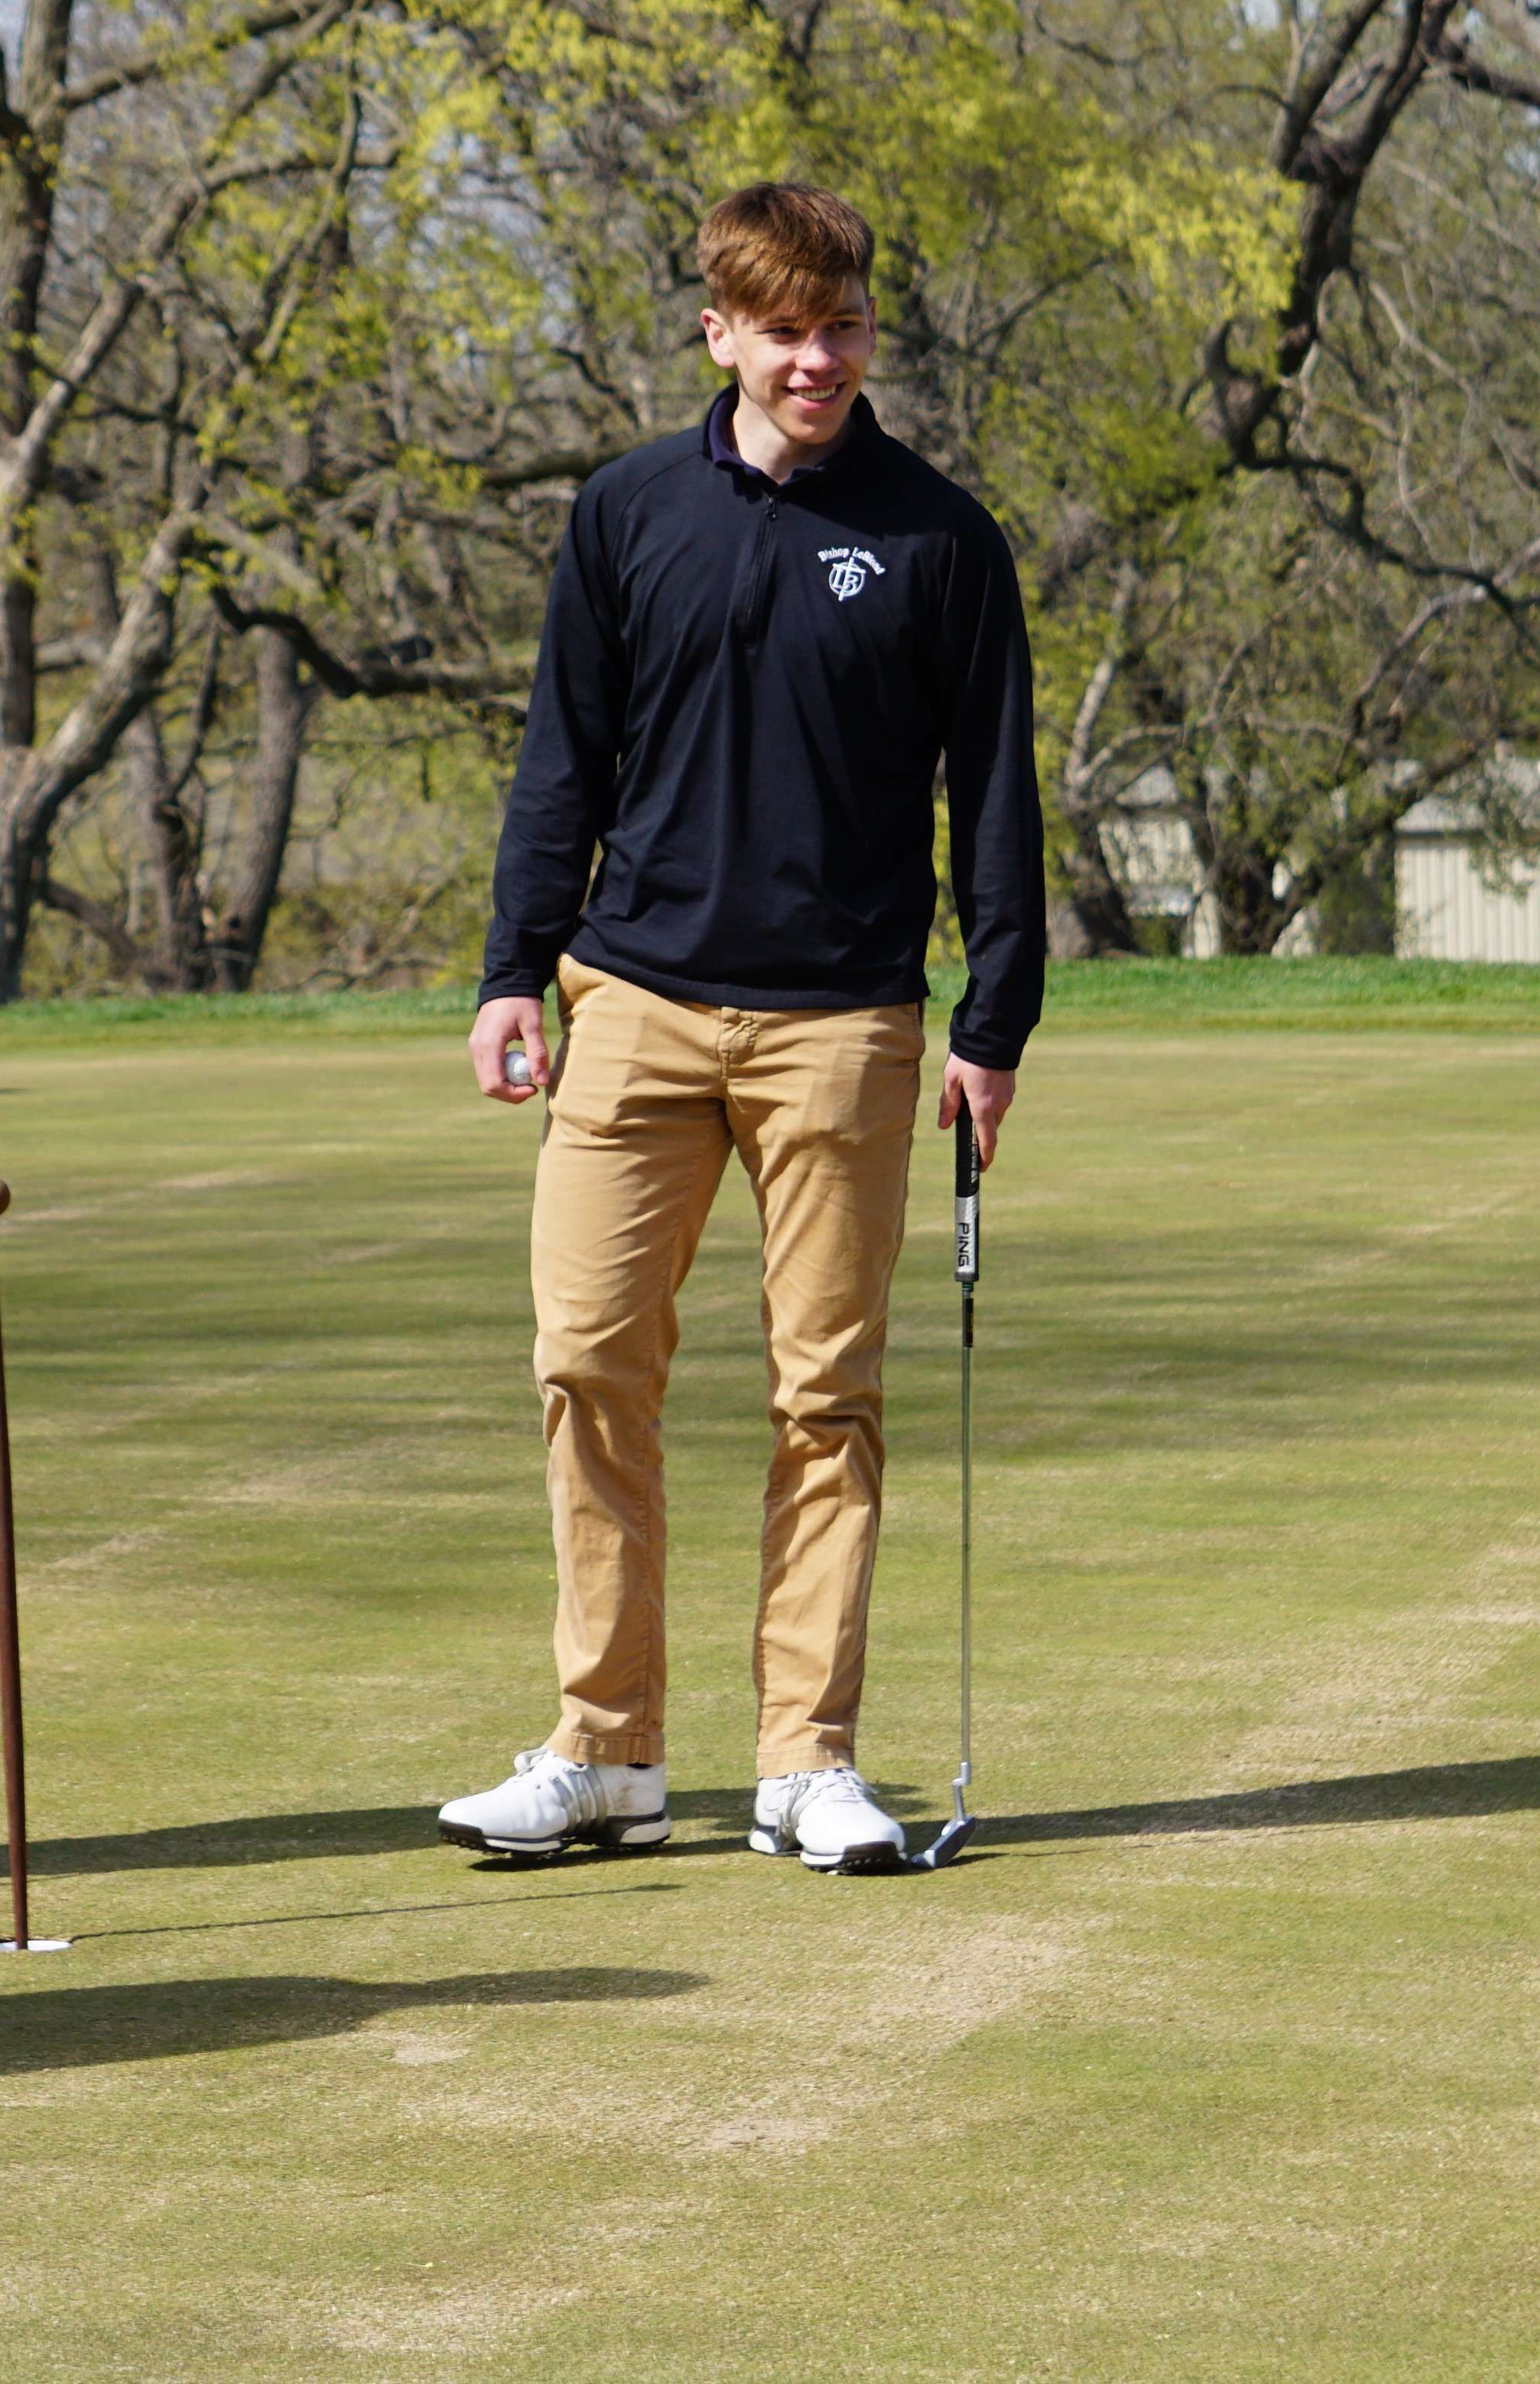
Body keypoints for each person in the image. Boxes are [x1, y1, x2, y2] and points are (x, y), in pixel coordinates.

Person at [435, 183, 1047, 1872]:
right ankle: (607, 1751)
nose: (817, 361)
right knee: (584, 1361)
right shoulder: (628, 512)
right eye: (784, 332)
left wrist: (997, 1019)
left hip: (842, 1023)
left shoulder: (939, 539)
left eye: (843, 327)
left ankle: (806, 1759)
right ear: (721, 332)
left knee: (826, 1397)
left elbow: (997, 801)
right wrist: (513, 965)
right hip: (628, 999)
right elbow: (561, 756)